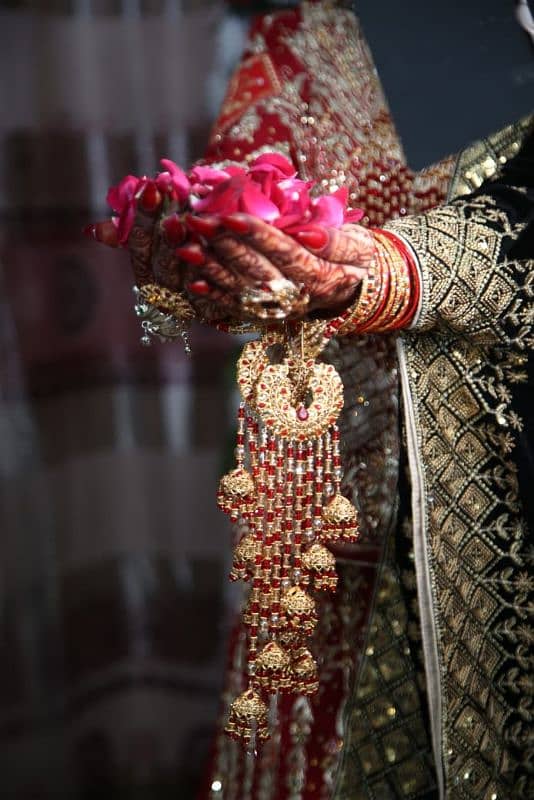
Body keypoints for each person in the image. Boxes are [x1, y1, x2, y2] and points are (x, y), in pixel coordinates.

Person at [94, 2, 533, 798]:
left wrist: (376, 268)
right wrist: (186, 268)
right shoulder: (307, 38)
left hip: (508, 496)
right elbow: (236, 235)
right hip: (344, 521)